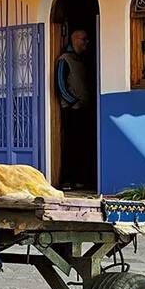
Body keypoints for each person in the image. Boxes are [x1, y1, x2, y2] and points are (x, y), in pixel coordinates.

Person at [55, 29, 94, 190]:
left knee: (82, 145)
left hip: (84, 109)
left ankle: (80, 178)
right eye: (84, 39)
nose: (87, 43)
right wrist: (72, 102)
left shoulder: (83, 60)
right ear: (76, 40)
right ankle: (67, 180)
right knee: (70, 145)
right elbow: (60, 84)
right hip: (71, 110)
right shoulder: (65, 60)